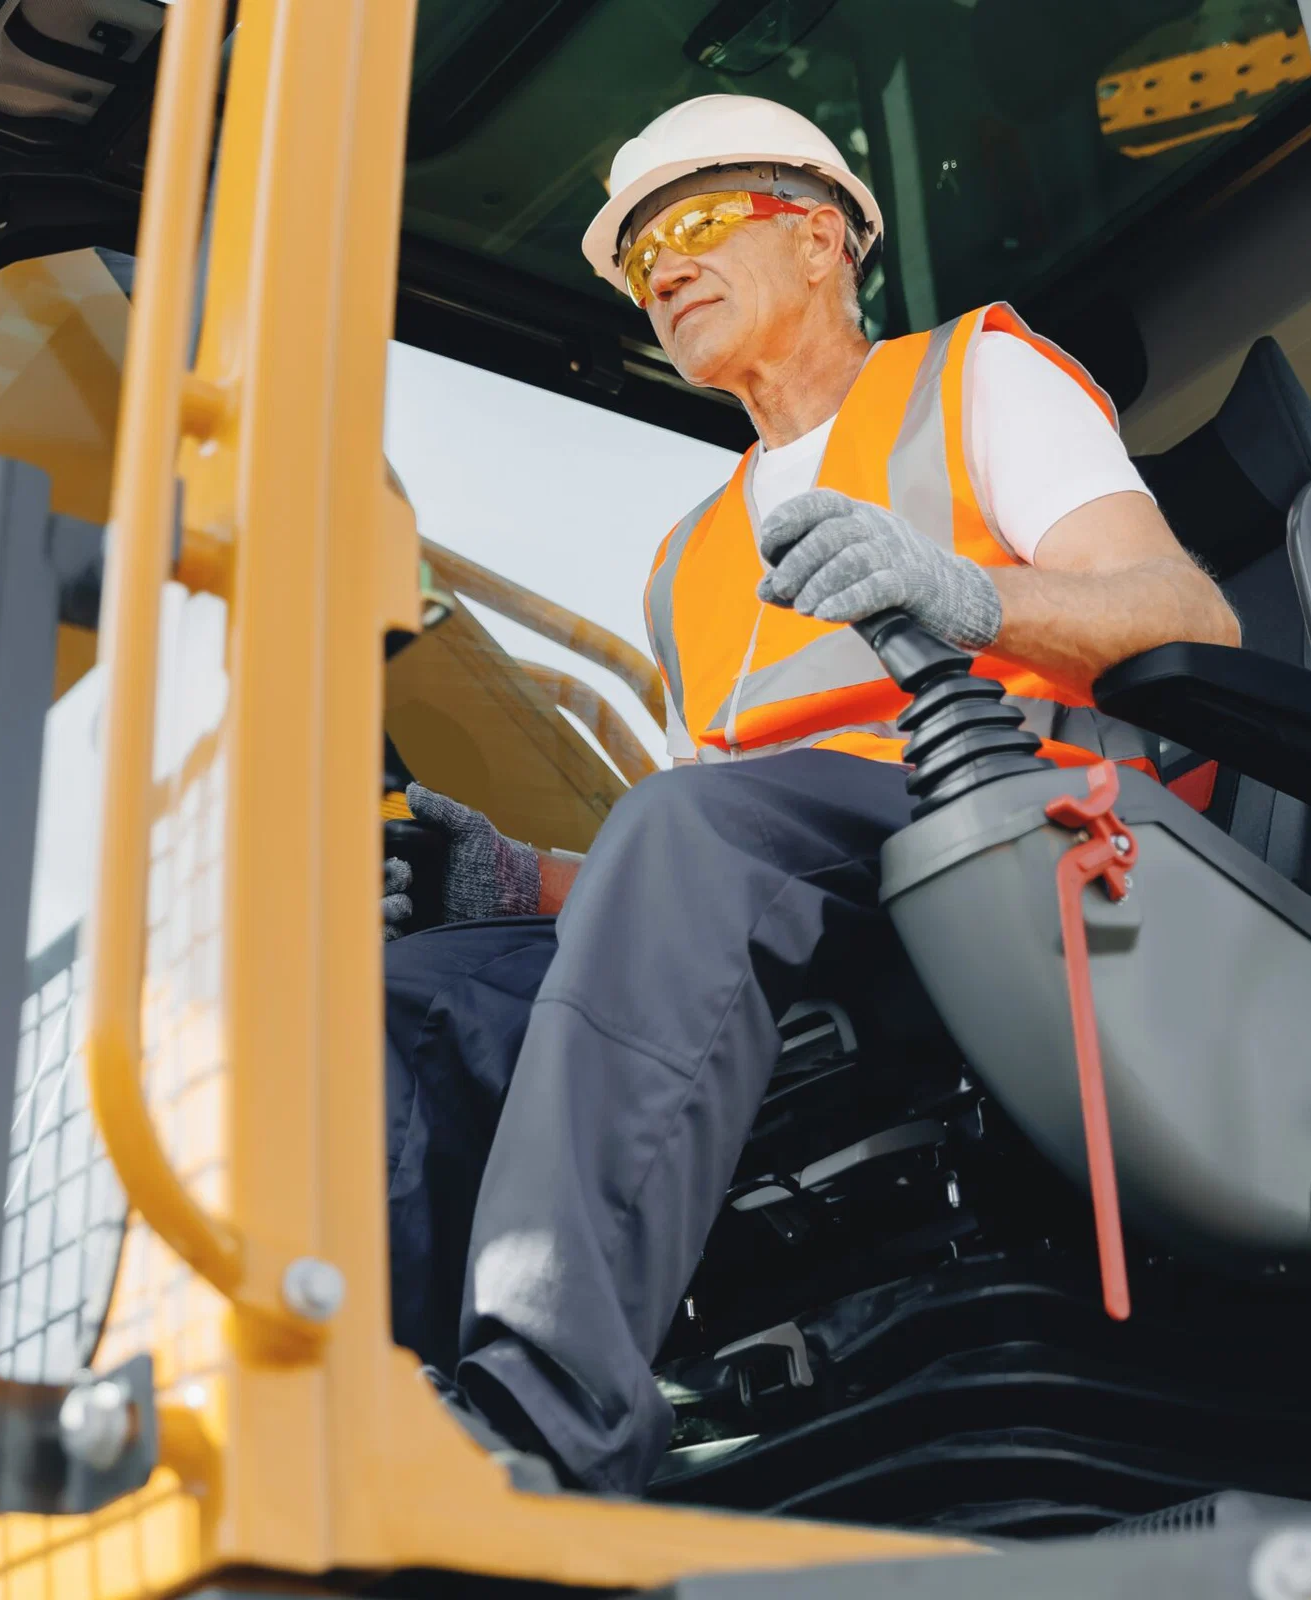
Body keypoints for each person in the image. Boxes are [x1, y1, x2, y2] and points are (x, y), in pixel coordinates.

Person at [381, 94, 1240, 1497]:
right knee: (416, 990)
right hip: (816, 876)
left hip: (1009, 831)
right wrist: (518, 882)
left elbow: (1184, 621)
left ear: (827, 235)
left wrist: (968, 595)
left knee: (686, 829)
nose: (663, 264)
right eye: (640, 250)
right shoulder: (688, 558)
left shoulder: (977, 380)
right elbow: (693, 887)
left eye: (699, 220)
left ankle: (545, 1417)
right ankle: (386, 1420)